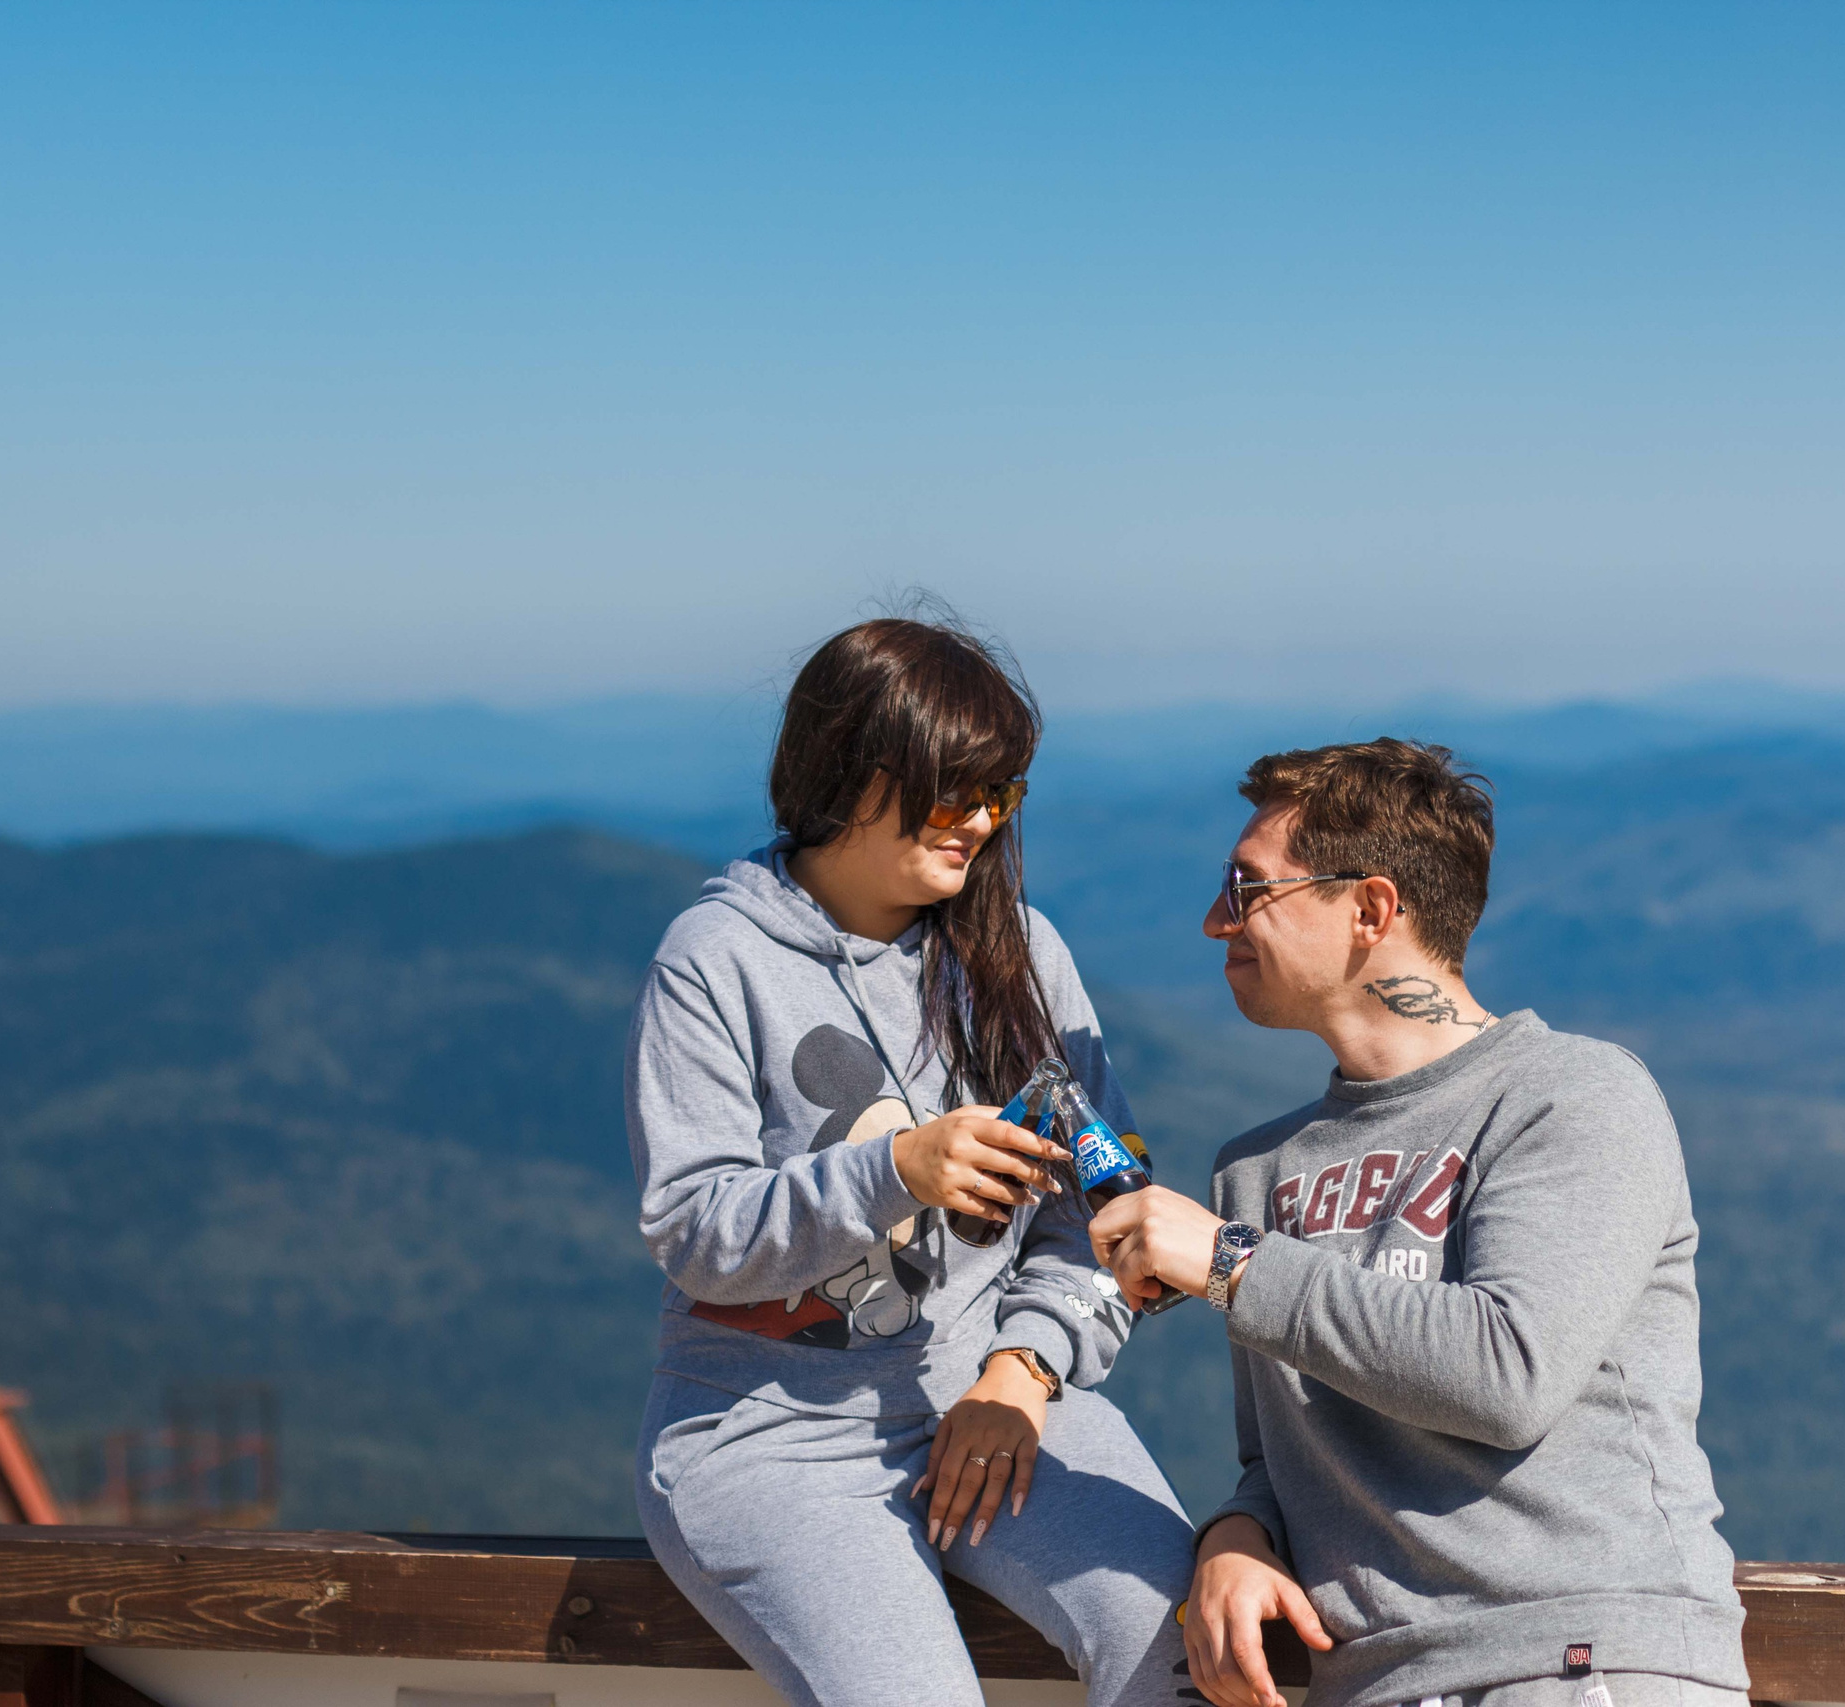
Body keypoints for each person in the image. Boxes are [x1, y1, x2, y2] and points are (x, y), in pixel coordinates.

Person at [1091, 737, 1749, 1707]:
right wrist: (1238, 1533)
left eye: (1246, 888)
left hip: (1578, 1661)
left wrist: (1231, 1264)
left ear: (1370, 909)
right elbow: (1290, 1455)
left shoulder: (1572, 1098)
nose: (1211, 921)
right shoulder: (1255, 1172)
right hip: (1376, 1681)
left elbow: (1507, 1372)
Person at [626, 616, 1196, 1707]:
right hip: (769, 1437)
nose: (980, 821)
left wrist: (1024, 1367)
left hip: (998, 1400)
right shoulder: (713, 960)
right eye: (952, 791)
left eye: (1003, 793)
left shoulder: (1019, 953)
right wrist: (894, 1169)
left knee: (1190, 1653)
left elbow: (1101, 1205)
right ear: (849, 770)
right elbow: (694, 1233)